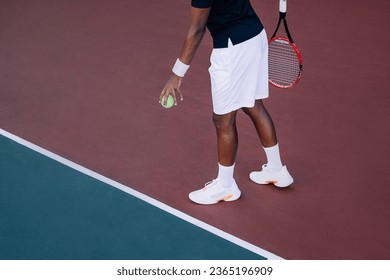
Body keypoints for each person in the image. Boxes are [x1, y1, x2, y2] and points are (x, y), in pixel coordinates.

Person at [160, 0, 293, 205]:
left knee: (223, 119)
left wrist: (176, 75)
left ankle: (225, 186)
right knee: (253, 105)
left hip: (233, 48)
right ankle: (276, 169)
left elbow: (197, 29)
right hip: (255, 36)